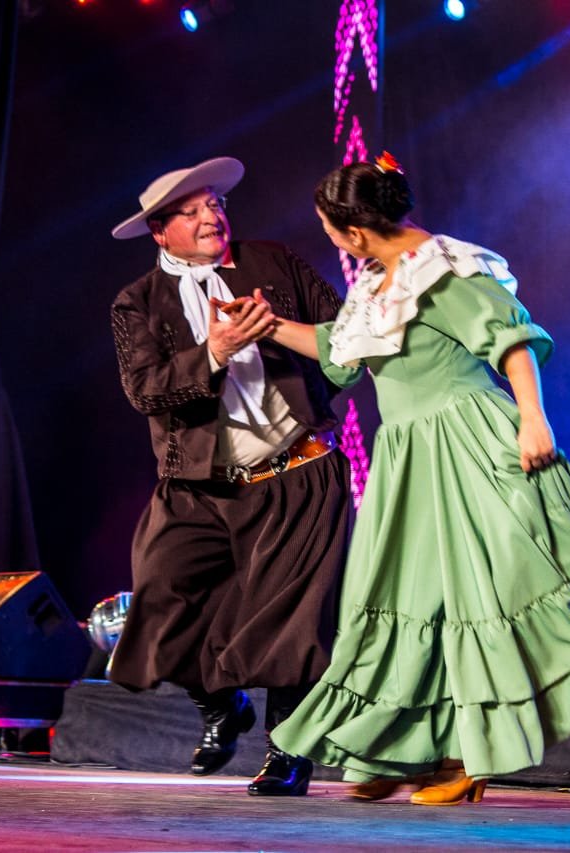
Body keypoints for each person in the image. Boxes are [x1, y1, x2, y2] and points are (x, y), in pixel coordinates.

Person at [263, 153, 570, 806]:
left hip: (463, 442)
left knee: (470, 598)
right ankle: (401, 747)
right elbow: (342, 352)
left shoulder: (445, 270)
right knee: (403, 601)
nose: (330, 240)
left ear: (354, 231)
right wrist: (266, 327)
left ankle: (465, 754)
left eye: (328, 229)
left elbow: (510, 341)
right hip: (406, 456)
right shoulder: (377, 280)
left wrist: (533, 420)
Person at [106, 156, 351, 797]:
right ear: (161, 231)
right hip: (198, 482)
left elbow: (344, 333)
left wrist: (277, 331)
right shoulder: (137, 303)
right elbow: (144, 390)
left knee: (291, 618)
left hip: (296, 471)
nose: (211, 215)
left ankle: (287, 753)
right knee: (163, 596)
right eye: (192, 211)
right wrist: (213, 352)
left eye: (213, 202)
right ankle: (221, 708)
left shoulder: (274, 262)